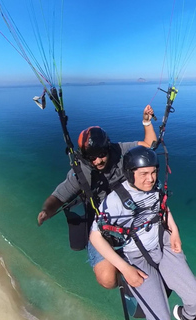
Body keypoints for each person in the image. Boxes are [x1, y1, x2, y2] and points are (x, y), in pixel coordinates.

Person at [37, 105, 157, 289]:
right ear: (85, 157)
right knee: (107, 280)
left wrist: (146, 122)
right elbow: (60, 195)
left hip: (131, 218)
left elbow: (149, 146)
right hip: (103, 227)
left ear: (108, 148)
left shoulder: (119, 151)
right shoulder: (82, 171)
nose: (98, 161)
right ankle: (124, 279)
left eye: (102, 155)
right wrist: (47, 210)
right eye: (92, 158)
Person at [90, 146, 196, 320]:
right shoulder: (114, 201)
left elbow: (163, 207)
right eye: (144, 174)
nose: (150, 179)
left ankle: (185, 316)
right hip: (136, 257)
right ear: (130, 173)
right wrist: (125, 269)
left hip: (163, 245)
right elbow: (95, 237)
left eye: (153, 172)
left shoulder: (155, 187)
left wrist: (174, 231)